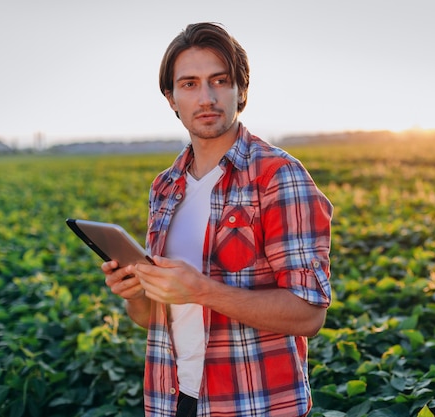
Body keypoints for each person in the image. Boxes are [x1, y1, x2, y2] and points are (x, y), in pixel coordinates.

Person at [102, 22, 333, 417]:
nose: (206, 97)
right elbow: (151, 319)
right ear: (171, 98)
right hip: (174, 400)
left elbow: (309, 313)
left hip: (255, 404)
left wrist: (201, 290)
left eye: (219, 81)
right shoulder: (165, 186)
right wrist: (136, 291)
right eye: (189, 84)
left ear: (241, 91)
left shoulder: (278, 175)